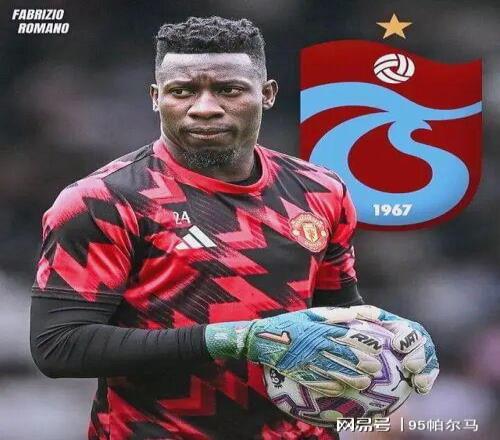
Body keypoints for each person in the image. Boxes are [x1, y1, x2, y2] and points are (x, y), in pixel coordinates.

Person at [30, 16, 438, 440]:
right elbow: (58, 345)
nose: (204, 108)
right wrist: (239, 339)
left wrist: (390, 335)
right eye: (182, 91)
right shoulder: (102, 200)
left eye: (228, 90)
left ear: (267, 94)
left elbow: (336, 313)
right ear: (156, 98)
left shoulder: (321, 190)